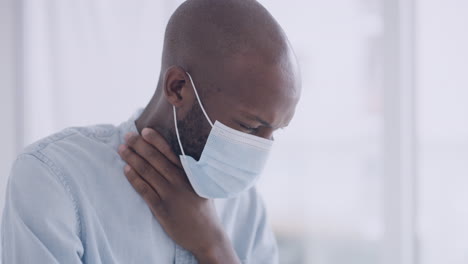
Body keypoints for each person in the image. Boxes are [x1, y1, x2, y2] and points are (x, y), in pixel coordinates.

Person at [1, 0, 301, 263]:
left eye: (275, 131)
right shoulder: (54, 178)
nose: (260, 149)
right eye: (248, 126)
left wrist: (214, 247)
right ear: (178, 88)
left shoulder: (245, 206)